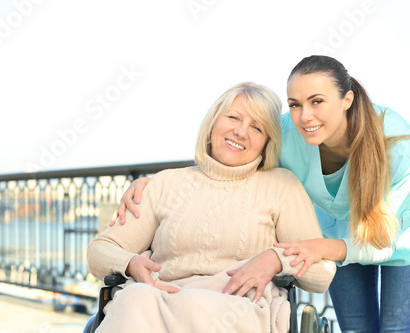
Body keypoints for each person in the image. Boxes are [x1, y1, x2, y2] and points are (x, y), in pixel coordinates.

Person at [115, 56, 410, 333]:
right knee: (355, 330)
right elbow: (233, 155)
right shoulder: (288, 131)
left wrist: (298, 252)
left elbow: (387, 237)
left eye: (317, 101)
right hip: (336, 235)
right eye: (295, 105)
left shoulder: (396, 142)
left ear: (347, 99)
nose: (305, 116)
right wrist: (152, 184)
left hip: (400, 237)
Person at [88, 82, 336, 333]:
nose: (241, 132)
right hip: (162, 298)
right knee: (133, 298)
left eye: (257, 127)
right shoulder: (164, 183)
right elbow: (100, 251)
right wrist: (130, 263)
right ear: (213, 122)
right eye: (233, 117)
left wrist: (276, 260)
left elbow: (321, 275)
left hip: (237, 306)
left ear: (267, 142)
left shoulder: (282, 186)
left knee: (192, 304)